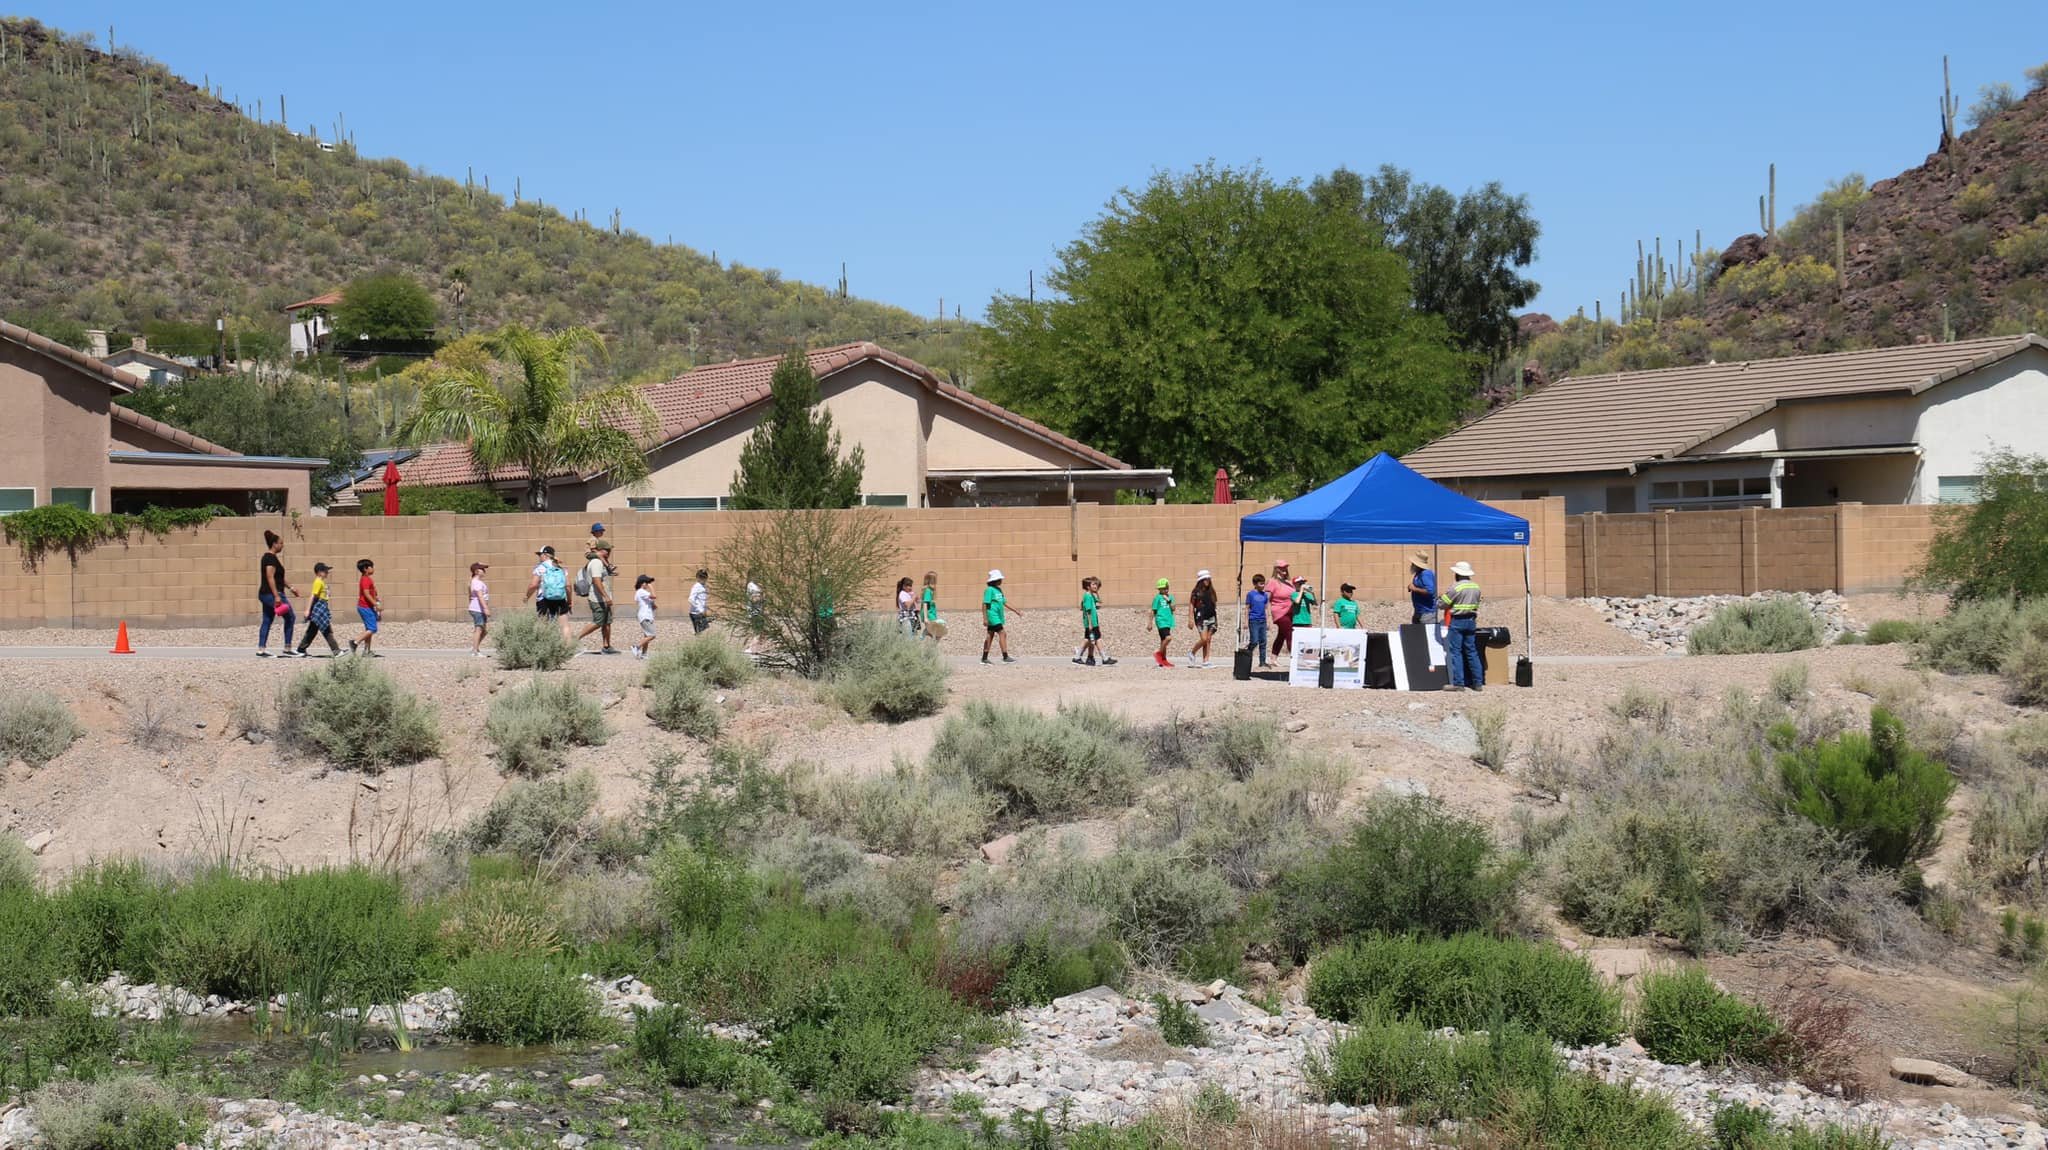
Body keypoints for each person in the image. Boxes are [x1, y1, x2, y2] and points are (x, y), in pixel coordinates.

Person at [1438, 560, 1484, 690]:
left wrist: (1439, 600)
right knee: (1472, 652)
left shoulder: (1456, 587)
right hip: (1471, 621)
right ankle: (1478, 683)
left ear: (1457, 574)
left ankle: (1458, 683)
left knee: (1456, 652)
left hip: (1457, 621)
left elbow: (1442, 604)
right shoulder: (1476, 587)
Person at [256, 530, 299, 657]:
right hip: (271, 594)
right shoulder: (270, 558)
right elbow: (270, 577)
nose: (282, 545)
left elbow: (279, 578)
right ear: (274, 544)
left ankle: (261, 649)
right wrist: (276, 596)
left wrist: (291, 587)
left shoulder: (271, 558)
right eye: (281, 543)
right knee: (290, 617)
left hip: (266, 594)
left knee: (267, 620)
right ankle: (287, 648)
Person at [577, 543, 618, 654]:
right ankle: (574, 640)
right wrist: (605, 596)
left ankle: (606, 646)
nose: (609, 553)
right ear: (600, 550)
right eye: (607, 550)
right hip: (598, 598)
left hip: (604, 598)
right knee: (598, 622)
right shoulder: (596, 562)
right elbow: (596, 580)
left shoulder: (601, 562)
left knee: (607, 622)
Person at [295, 562, 341, 657]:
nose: (327, 572)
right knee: (325, 628)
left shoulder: (321, 582)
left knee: (313, 630)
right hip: (319, 608)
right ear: (319, 572)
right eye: (325, 571)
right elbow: (313, 595)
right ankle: (336, 650)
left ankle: (301, 649)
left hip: (322, 606)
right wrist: (307, 610)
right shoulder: (318, 582)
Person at [528, 547, 573, 640]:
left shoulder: (540, 567)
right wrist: (569, 600)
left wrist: (527, 596)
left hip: (543, 598)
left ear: (545, 555)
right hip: (560, 598)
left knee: (543, 624)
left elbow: (533, 585)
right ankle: (568, 648)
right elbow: (568, 586)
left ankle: (545, 647)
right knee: (564, 625)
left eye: (540, 555)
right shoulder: (561, 567)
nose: (539, 557)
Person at [1076, 577, 1113, 666]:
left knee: (1089, 640)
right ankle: (1104, 658)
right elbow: (1088, 611)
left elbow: (1099, 602)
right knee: (1097, 639)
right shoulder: (1088, 596)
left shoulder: (1091, 595)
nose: (1096, 586)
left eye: (1096, 584)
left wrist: (1097, 593)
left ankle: (1086, 658)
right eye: (1093, 584)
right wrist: (1090, 624)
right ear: (1088, 587)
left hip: (1093, 622)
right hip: (1091, 623)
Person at [981, 569, 1015, 664]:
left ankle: (984, 658)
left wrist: (1016, 611)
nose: (1001, 581)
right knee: (1002, 633)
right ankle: (1005, 656)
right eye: (999, 579)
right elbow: (984, 604)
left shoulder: (999, 590)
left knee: (990, 635)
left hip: (998, 616)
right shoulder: (989, 590)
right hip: (992, 616)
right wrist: (985, 618)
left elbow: (1004, 602)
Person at [350, 557, 382, 657]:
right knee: (373, 629)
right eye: (371, 567)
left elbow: (372, 593)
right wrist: (375, 604)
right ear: (365, 569)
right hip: (365, 607)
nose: (373, 569)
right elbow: (366, 594)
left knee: (369, 629)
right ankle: (355, 642)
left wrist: (376, 599)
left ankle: (367, 651)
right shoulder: (365, 580)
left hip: (368, 607)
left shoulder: (368, 579)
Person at [1189, 570, 1218, 669]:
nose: (1207, 581)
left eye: (1208, 579)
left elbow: (1214, 603)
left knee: (1208, 639)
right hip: (1201, 617)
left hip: (1211, 616)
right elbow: (1192, 605)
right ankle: (1192, 652)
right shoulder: (1196, 592)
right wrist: (1190, 618)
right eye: (1205, 579)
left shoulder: (1211, 591)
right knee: (1204, 639)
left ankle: (1206, 660)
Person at [1269, 560, 1296, 659]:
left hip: (1290, 612)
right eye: (1282, 567)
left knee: (1282, 635)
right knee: (1290, 634)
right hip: (1280, 612)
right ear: (1276, 569)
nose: (1284, 569)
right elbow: (1268, 599)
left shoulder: (1289, 582)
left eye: (1285, 567)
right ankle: (1294, 658)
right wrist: (1268, 616)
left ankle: (1273, 657)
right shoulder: (1272, 582)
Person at [1246, 574, 1271, 668]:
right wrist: (1245, 621)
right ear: (1255, 584)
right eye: (1261, 584)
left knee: (1263, 641)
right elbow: (1247, 608)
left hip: (1262, 621)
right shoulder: (1250, 594)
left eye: (1264, 584)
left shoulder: (1265, 595)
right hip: (1253, 620)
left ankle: (1262, 662)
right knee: (1254, 640)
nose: (1263, 585)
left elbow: (1266, 608)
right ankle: (1247, 654)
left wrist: (1268, 621)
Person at [1150, 578, 1176, 668]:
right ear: (1159, 589)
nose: (1165, 590)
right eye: (1163, 588)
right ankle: (1158, 653)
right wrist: (1150, 623)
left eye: (1166, 588)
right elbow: (1153, 610)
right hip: (1161, 621)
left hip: (1168, 621)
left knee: (1163, 641)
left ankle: (1163, 660)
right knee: (1168, 638)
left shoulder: (1171, 597)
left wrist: (1169, 601)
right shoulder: (1157, 598)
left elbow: (1173, 608)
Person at [1407, 552, 1438, 626]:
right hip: (1419, 610)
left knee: (1427, 634)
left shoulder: (1425, 574)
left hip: (1427, 613)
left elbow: (1430, 591)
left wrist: (1414, 589)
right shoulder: (1419, 573)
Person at [468, 561, 491, 657]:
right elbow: (480, 596)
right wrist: (486, 608)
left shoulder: (475, 582)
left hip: (478, 608)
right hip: (478, 609)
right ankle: (475, 652)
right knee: (479, 629)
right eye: (482, 569)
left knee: (484, 630)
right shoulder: (476, 582)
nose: (484, 571)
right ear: (477, 571)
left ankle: (475, 647)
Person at [633, 574, 659, 659]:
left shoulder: (643, 593)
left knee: (647, 636)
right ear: (642, 583)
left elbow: (652, 603)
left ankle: (644, 654)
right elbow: (654, 596)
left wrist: (653, 605)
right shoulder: (641, 591)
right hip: (645, 616)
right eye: (646, 582)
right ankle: (636, 647)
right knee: (652, 635)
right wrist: (651, 587)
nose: (648, 584)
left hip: (647, 616)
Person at [919, 571, 945, 641]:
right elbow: (925, 604)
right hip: (929, 614)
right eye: (934, 581)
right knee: (937, 633)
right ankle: (926, 632)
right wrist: (926, 617)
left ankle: (927, 631)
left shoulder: (930, 590)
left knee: (936, 632)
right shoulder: (928, 591)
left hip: (931, 614)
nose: (935, 583)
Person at [689, 569, 711, 635]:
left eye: (704, 577)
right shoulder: (696, 586)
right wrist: (700, 610)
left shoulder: (703, 586)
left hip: (701, 613)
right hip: (696, 613)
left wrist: (705, 610)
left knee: (703, 630)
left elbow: (702, 600)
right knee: (699, 632)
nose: (703, 579)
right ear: (697, 577)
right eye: (701, 577)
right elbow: (690, 599)